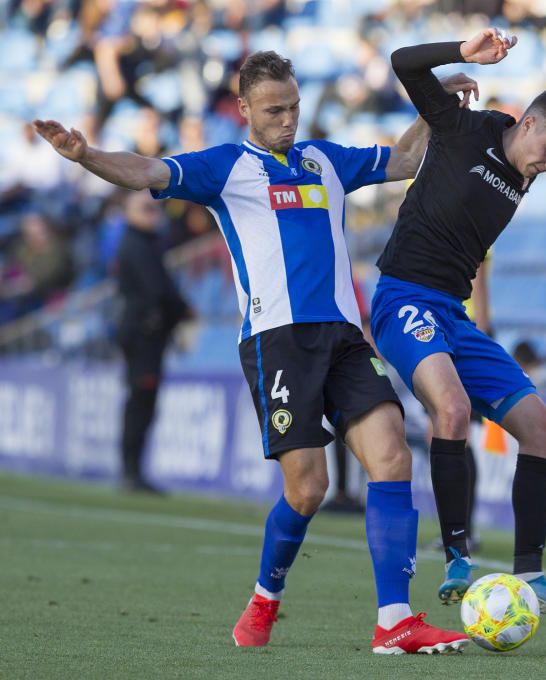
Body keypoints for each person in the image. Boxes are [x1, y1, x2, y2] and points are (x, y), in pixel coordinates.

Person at [33, 50, 480, 654]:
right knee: (307, 489)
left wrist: (434, 107)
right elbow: (143, 172)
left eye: (293, 107)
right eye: (274, 110)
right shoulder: (225, 167)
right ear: (244, 109)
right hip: (278, 342)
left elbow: (402, 160)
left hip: (345, 336)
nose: (287, 120)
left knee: (393, 457)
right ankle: (265, 600)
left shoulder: (324, 159)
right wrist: (85, 155)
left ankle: (395, 621)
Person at [369, 28, 546, 617]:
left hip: (454, 316)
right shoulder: (463, 126)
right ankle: (458, 558)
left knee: (545, 432)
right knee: (454, 410)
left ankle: (532, 576)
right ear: (528, 125)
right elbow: (401, 63)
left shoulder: (537, 151)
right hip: (402, 299)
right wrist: (459, 54)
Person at [114, 191, 192, 494]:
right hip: (143, 335)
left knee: (141, 402)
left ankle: (132, 469)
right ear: (128, 213)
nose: (153, 214)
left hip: (144, 334)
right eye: (145, 209)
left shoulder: (144, 243)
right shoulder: (138, 245)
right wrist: (183, 310)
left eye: (153, 208)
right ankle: (131, 471)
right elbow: (158, 291)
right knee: (140, 402)